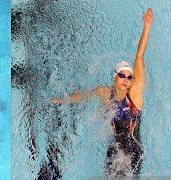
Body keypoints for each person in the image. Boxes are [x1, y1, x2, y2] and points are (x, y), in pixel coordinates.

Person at [51, 8, 153, 177]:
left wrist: (147, 26)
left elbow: (140, 58)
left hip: (133, 154)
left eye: (129, 77)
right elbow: (82, 95)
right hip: (113, 152)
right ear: (115, 77)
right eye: (122, 75)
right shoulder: (105, 94)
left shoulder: (134, 96)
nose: (126, 79)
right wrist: (61, 100)